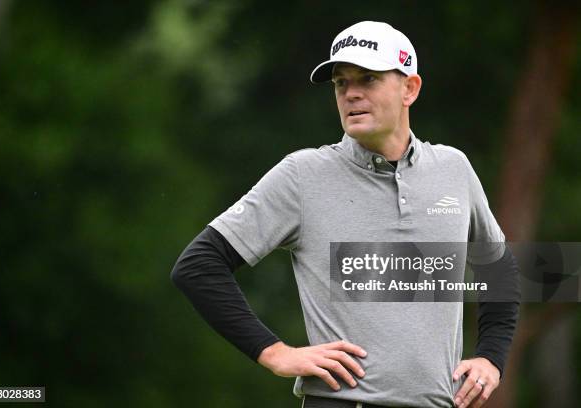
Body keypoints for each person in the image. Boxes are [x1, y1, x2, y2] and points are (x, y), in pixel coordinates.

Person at [172, 21, 519, 408]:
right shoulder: (303, 175)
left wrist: (491, 356)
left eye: (368, 79)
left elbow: (499, 268)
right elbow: (199, 265)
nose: (351, 94)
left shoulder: (453, 168)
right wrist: (275, 352)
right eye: (341, 83)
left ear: (410, 88)